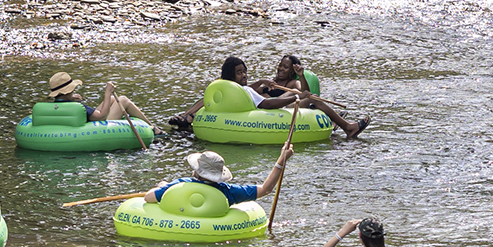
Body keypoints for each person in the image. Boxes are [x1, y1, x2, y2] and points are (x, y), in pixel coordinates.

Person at [169, 56, 369, 138]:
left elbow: (296, 93)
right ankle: (347, 127)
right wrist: (262, 83)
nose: (281, 69)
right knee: (313, 100)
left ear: (292, 71)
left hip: (277, 111)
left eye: (285, 67)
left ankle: (342, 124)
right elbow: (260, 98)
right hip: (264, 111)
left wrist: (299, 87)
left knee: (313, 98)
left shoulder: (293, 84)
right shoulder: (249, 87)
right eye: (241, 73)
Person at [143, 145, 293, 206]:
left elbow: (148, 198)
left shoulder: (181, 183)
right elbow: (266, 189)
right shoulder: (229, 191)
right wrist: (281, 160)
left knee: (162, 183)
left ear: (197, 170)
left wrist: (163, 186)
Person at [46, 70, 157, 127]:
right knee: (122, 100)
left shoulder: (51, 106)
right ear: (69, 91)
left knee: (113, 99)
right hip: (94, 127)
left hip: (77, 122)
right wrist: (107, 93)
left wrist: (71, 98)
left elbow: (64, 101)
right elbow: (102, 116)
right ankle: (153, 128)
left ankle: (153, 127)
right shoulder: (78, 107)